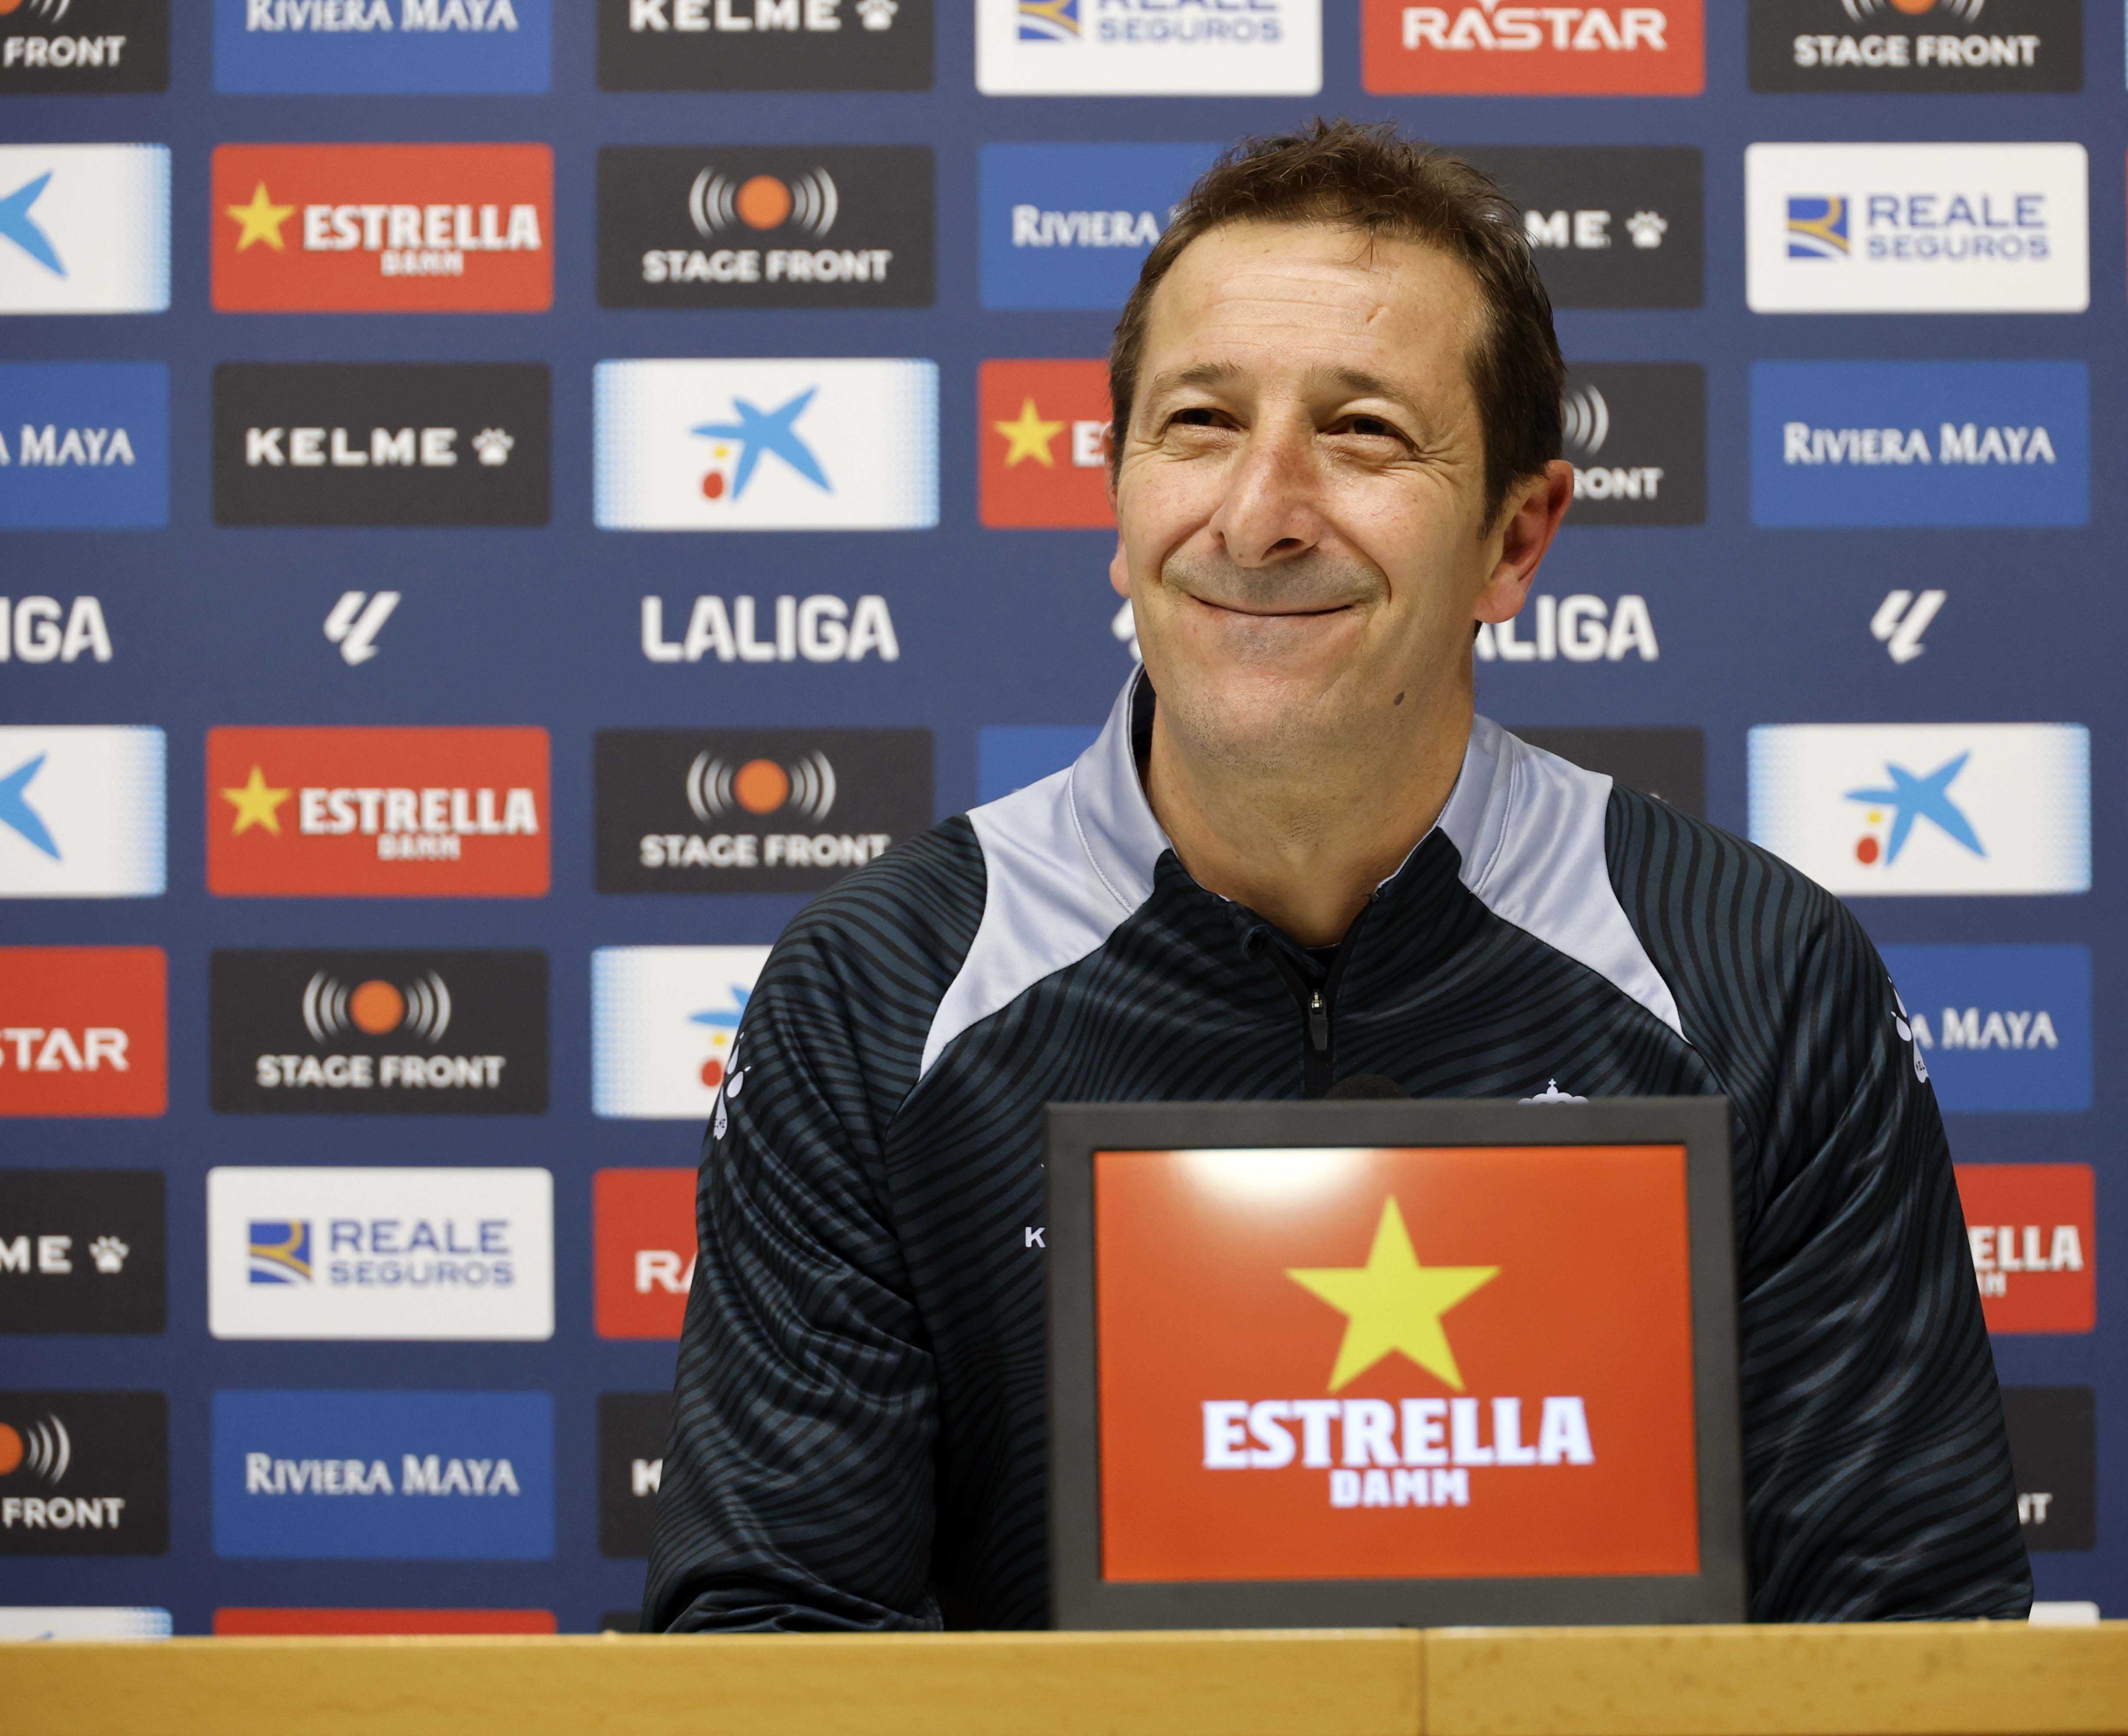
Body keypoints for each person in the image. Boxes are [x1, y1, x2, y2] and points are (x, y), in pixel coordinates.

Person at [644, 119, 2031, 1630]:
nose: (1260, 514)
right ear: (1116, 496)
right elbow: (773, 1655)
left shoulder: (1754, 970)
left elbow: (1910, 1644)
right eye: (1198, 424)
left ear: (1516, 538)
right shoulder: (881, 991)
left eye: (1364, 432)